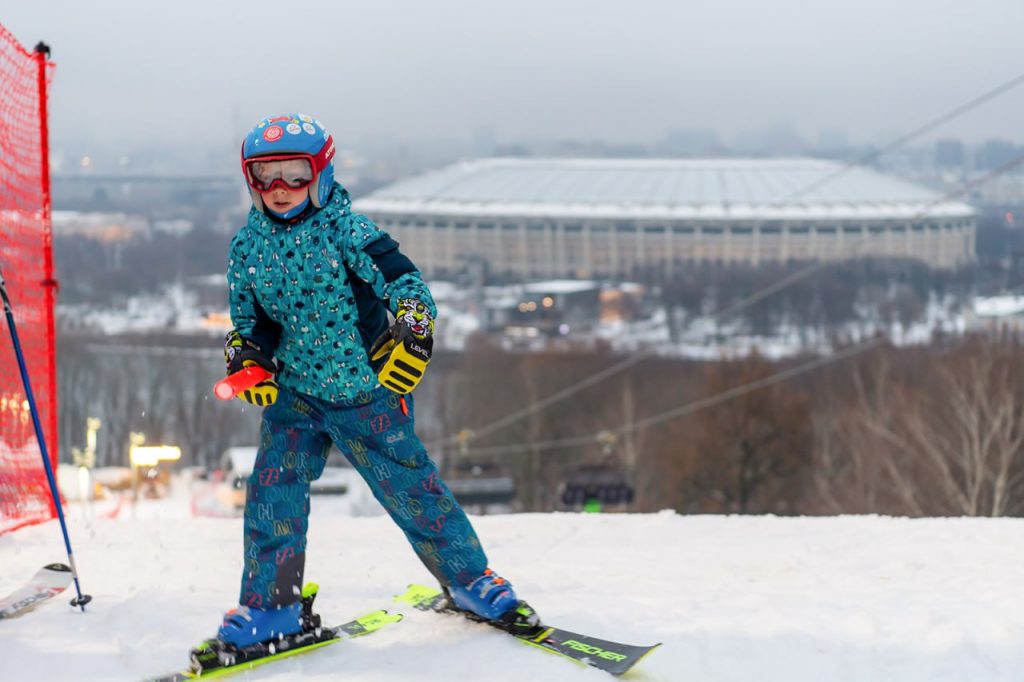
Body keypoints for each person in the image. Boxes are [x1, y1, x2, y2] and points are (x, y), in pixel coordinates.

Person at [214, 113, 539, 650]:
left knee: (412, 488)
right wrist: (245, 356)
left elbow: (405, 283)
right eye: (264, 175)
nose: (279, 189)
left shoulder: (349, 231)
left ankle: (469, 581)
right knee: (273, 494)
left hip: (361, 392)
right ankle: (273, 607)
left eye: (294, 173)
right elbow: (250, 324)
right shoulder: (247, 249)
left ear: (320, 172)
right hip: (295, 396)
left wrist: (413, 327)